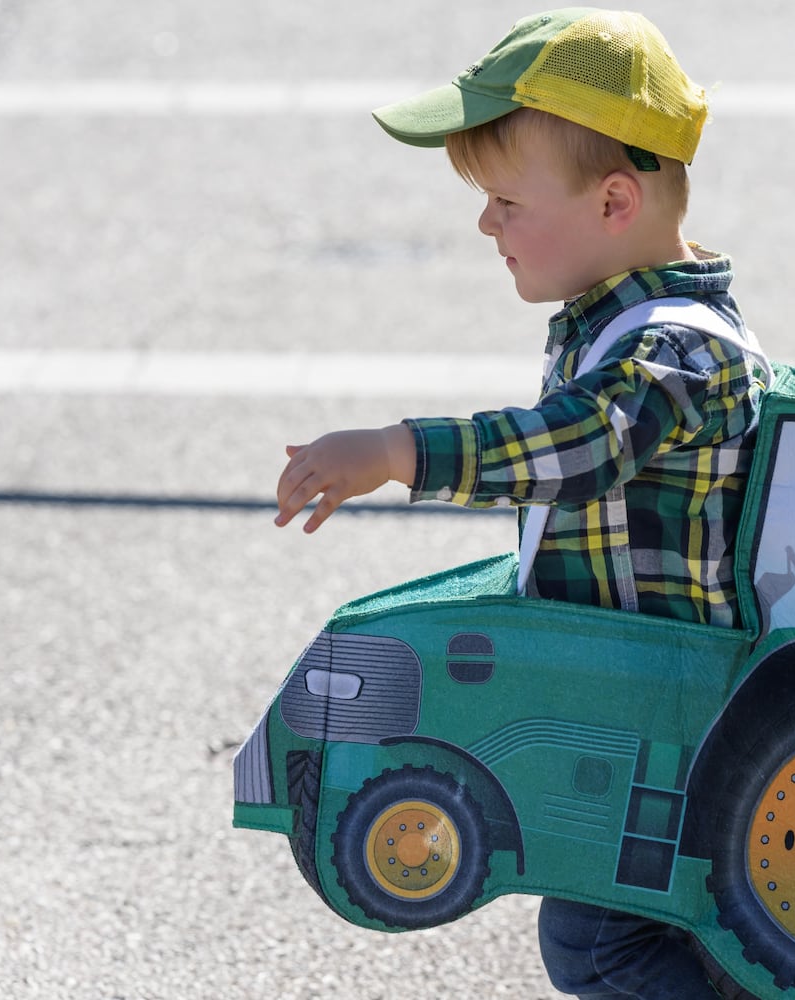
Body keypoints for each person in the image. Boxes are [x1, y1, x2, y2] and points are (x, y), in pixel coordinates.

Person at [274, 9, 769, 998]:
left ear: (615, 201)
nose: (484, 224)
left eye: (505, 200)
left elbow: (575, 449)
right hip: (624, 707)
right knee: (611, 933)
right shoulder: (614, 323)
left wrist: (397, 451)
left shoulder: (673, 351)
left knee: (606, 940)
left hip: (668, 724)